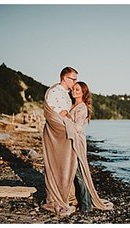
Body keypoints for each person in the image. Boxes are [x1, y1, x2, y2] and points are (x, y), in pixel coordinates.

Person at [68, 81, 115, 212]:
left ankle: (86, 205)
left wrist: (66, 118)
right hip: (72, 140)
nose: (74, 91)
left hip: (78, 141)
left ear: (83, 93)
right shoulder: (72, 105)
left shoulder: (82, 107)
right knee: (73, 171)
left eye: (78, 90)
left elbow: (77, 127)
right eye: (73, 89)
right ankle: (78, 201)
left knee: (79, 173)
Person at [41, 66, 80, 216]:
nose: (75, 82)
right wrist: (64, 116)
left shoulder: (66, 94)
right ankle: (57, 198)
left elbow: (66, 113)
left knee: (66, 165)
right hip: (56, 135)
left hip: (64, 134)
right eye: (73, 79)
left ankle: (67, 196)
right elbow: (53, 114)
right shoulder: (55, 92)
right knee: (57, 165)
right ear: (64, 78)